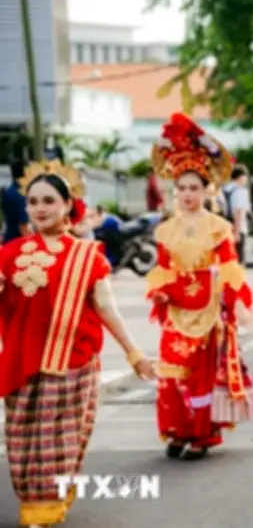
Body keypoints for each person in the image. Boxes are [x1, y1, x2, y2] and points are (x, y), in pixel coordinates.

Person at [0, 160, 155, 527]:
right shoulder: (9, 254)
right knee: (20, 445)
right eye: (33, 201)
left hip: (70, 364)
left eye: (48, 201)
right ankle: (37, 499)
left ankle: (45, 507)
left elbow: (106, 308)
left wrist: (135, 355)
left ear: (68, 205)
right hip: (20, 363)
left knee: (56, 444)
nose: (39, 208)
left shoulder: (88, 256)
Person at [148, 113, 253, 460]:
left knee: (199, 374)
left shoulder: (218, 227)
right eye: (181, 188)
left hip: (208, 304)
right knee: (171, 370)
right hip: (176, 304)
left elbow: (229, 267)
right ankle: (177, 431)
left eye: (193, 188)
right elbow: (163, 267)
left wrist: (237, 300)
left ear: (206, 189)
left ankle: (201, 435)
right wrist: (159, 292)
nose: (186, 194)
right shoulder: (165, 229)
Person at [222, 165, 250, 263]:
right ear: (241, 177)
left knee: (228, 259)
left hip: (225, 226)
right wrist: (237, 232)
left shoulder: (225, 189)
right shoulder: (240, 190)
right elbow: (239, 211)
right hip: (238, 228)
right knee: (239, 260)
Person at [1, 160, 32, 243]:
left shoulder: (9, 191)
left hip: (9, 238)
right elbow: (23, 226)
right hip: (18, 242)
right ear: (26, 173)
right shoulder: (20, 195)